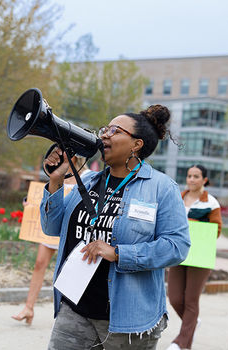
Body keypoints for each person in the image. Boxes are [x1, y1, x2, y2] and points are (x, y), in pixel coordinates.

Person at [41, 105, 191, 349]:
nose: (104, 135)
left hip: (129, 322)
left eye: (114, 130)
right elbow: (52, 227)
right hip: (75, 309)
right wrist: (56, 181)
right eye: (104, 129)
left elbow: (177, 246)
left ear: (136, 144)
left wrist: (119, 253)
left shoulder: (161, 188)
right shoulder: (88, 181)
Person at [12, 160, 89, 325]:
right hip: (51, 231)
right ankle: (28, 307)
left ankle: (70, 314)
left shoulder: (87, 177)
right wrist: (30, 203)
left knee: (68, 270)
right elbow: (45, 197)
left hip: (71, 232)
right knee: (39, 264)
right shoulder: (57, 174)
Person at [166, 165, 223, 350]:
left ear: (204, 180)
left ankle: (180, 343)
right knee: (174, 297)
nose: (191, 179)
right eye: (189, 176)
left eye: (196, 176)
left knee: (191, 300)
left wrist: (193, 227)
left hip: (200, 255)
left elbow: (217, 229)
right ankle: (192, 324)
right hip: (178, 253)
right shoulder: (177, 198)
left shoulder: (211, 203)